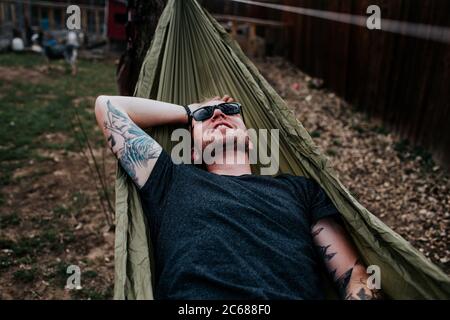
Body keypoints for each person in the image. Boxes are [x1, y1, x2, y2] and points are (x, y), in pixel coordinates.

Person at [94, 94, 382, 300]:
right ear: (193, 151)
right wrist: (188, 110)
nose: (219, 114)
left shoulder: (298, 189)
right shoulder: (170, 181)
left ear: (250, 140)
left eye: (230, 109)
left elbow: (352, 274)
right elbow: (107, 106)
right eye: (206, 115)